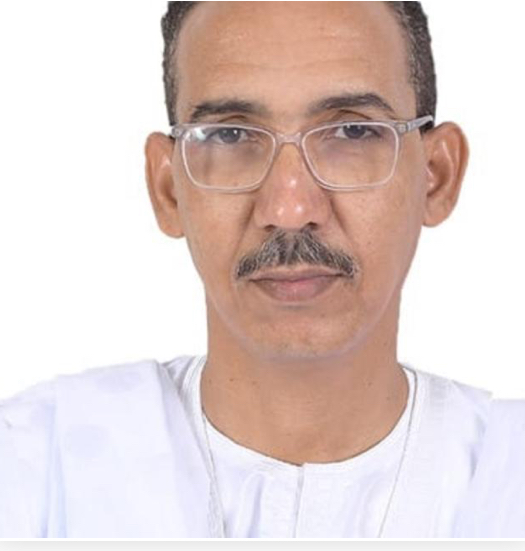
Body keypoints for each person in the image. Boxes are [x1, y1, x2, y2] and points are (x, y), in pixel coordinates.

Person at [1, 1, 524, 539]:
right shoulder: (32, 473)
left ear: (436, 176)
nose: (289, 208)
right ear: (168, 189)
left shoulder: (509, 484)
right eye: (230, 136)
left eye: (351, 132)